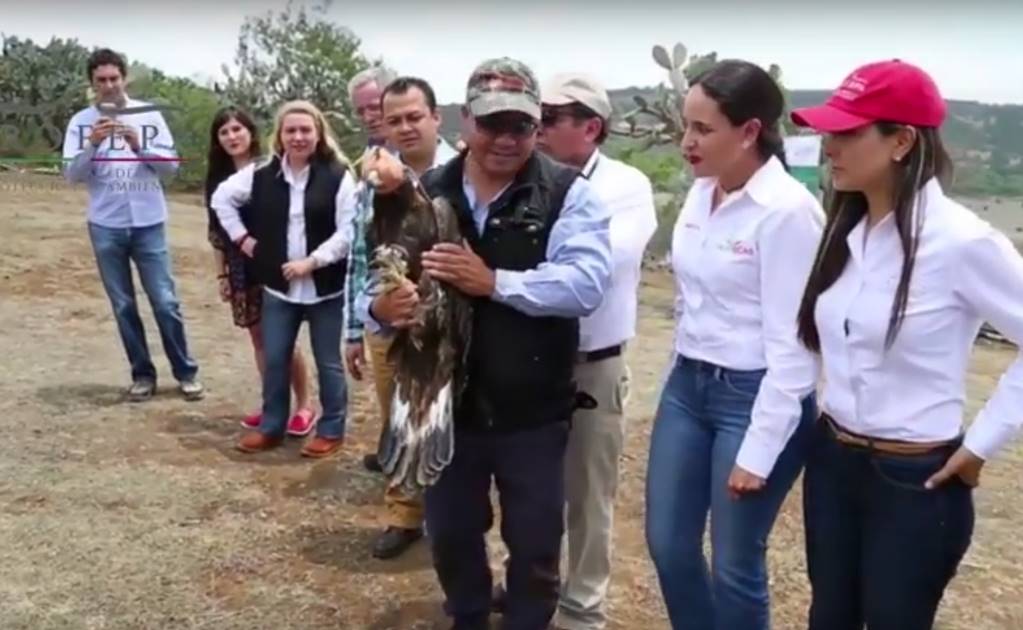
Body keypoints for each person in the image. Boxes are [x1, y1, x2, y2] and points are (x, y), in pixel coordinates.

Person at [360, 58, 612, 630]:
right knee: (449, 532)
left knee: (536, 541)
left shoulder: (567, 193)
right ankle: (469, 616)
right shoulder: (425, 190)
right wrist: (381, 309)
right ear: (465, 119)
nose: (504, 139)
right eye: (491, 123)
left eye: (519, 126)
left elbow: (586, 282)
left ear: (537, 127)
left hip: (533, 407)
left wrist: (495, 282)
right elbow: (372, 281)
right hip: (444, 405)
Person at [790, 59, 1023, 630]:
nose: (829, 147)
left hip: (914, 480)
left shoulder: (963, 243)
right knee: (830, 618)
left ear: (901, 141)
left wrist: (980, 446)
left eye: (846, 133)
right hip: (833, 461)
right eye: (827, 132)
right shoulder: (845, 232)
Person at [644, 60, 823, 630]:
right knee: (669, 546)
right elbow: (690, 301)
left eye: (703, 129)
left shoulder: (789, 213)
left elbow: (796, 347)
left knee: (735, 564)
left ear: (749, 132)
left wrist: (762, 444)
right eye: (685, 126)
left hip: (752, 397)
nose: (687, 141)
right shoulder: (702, 195)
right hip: (688, 386)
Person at [537, 73, 657, 630]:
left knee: (588, 495)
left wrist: (510, 271)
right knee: (529, 484)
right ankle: (534, 583)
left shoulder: (625, 185)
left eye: (553, 117)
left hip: (592, 362)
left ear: (591, 127)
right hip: (532, 360)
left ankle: (582, 609)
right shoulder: (527, 178)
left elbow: (597, 268)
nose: (538, 126)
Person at [343, 76, 458, 560]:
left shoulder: (464, 174)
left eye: (415, 117)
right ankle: (403, 514)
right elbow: (359, 251)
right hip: (389, 323)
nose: (406, 128)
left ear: (436, 117)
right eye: (395, 120)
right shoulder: (370, 179)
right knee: (399, 420)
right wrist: (360, 319)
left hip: (454, 332)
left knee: (449, 428)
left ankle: (452, 521)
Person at [211, 100, 358, 458]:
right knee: (275, 358)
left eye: (305, 130)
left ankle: (331, 429)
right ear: (280, 135)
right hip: (279, 288)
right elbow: (220, 199)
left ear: (318, 133)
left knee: (328, 363)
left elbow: (350, 230)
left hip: (325, 289)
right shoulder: (262, 174)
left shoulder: (338, 175)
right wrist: (244, 240)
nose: (298, 137)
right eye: (290, 130)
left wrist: (313, 261)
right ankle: (272, 427)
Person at [62, 48, 203, 402]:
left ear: (125, 78)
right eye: (101, 80)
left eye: (114, 78)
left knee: (165, 301)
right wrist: (91, 145)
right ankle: (143, 375)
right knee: (123, 305)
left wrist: (140, 144)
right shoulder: (81, 122)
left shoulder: (149, 115)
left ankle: (186, 372)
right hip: (106, 225)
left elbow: (171, 169)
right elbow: (71, 175)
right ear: (92, 83)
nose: (109, 86)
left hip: (148, 222)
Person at [204, 106, 317, 435]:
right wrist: (222, 275)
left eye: (237, 129)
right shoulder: (217, 180)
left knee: (283, 338)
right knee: (259, 339)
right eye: (224, 132)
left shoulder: (272, 170)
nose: (231, 136)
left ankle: (305, 405)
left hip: (273, 264)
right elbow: (216, 235)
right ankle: (273, 405)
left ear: (251, 132)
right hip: (240, 268)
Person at [343, 63, 399, 473]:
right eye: (360, 110)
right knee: (388, 398)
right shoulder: (366, 163)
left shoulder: (434, 164)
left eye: (375, 106)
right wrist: (352, 329)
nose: (369, 116)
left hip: (420, 315)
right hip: (378, 313)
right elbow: (358, 254)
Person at [348, 65, 398, 148]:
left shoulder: (423, 153)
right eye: (360, 112)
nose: (367, 119)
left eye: (374, 108)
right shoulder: (369, 156)